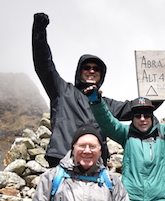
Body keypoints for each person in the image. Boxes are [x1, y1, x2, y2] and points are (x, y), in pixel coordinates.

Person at [32, 12, 135, 167]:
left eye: (96, 69)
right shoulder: (62, 91)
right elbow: (43, 65)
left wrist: (163, 93)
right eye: (87, 67)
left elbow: (136, 108)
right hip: (63, 161)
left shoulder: (107, 104)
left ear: (102, 75)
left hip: (95, 166)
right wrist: (39, 30)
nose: (91, 71)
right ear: (79, 71)